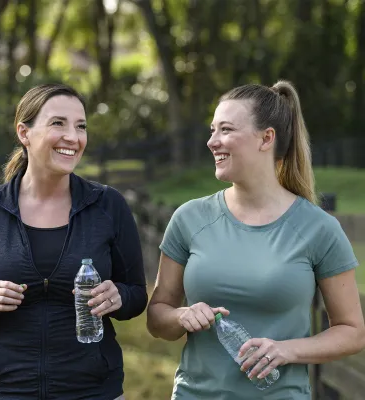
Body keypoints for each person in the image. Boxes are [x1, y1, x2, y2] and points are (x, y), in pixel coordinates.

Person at [146, 80, 365, 399]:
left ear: (266, 138)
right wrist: (181, 315)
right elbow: (157, 316)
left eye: (225, 130)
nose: (212, 141)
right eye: (212, 130)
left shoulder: (318, 228)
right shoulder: (189, 218)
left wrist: (287, 350)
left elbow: (353, 332)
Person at [0, 83, 147, 400]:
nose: (73, 138)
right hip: (5, 391)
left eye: (81, 126)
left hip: (93, 391)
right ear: (24, 133)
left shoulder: (108, 206)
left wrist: (118, 297)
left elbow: (136, 294)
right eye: (58, 123)